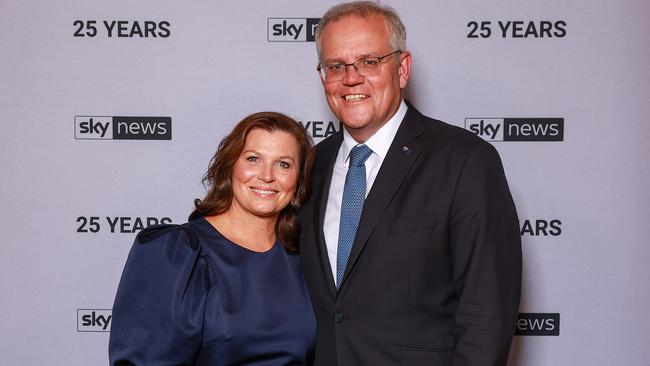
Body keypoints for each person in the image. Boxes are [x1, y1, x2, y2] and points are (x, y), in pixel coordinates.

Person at [298, 2, 522, 365]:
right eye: (335, 66)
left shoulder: (465, 161)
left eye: (369, 62)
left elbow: (487, 314)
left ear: (402, 69)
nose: (350, 78)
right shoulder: (311, 164)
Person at [109, 112, 316, 365]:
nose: (267, 175)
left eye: (283, 164)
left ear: (298, 181)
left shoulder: (302, 259)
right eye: (253, 159)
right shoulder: (179, 253)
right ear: (230, 167)